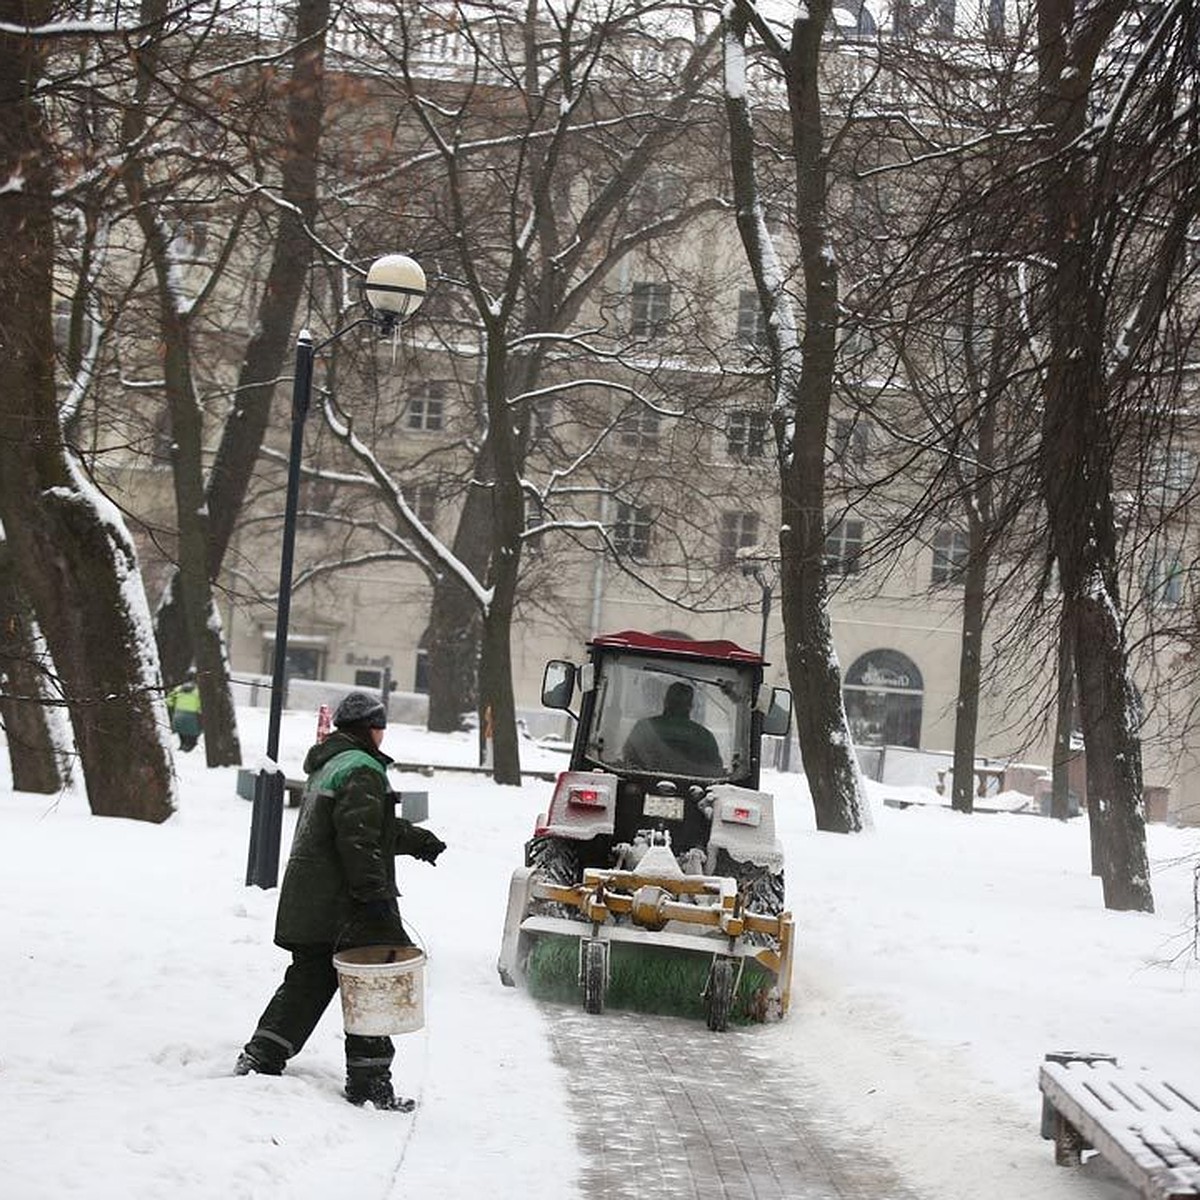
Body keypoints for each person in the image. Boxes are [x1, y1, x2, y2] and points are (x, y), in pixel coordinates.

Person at [234, 690, 447, 1112]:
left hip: (312, 898)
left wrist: (415, 840)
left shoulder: (331, 763)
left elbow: (361, 828)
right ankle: (370, 1086)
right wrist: (373, 898)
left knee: (309, 980)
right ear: (372, 728)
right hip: (347, 902)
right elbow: (359, 840)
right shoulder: (363, 769)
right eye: (381, 727)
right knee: (372, 984)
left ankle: (263, 1054)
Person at [622, 680, 723, 775]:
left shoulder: (644, 727)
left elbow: (629, 759)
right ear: (690, 706)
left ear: (665, 702)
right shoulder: (704, 735)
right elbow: (714, 771)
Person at [166, 669, 202, 752]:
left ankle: (183, 746)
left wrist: (175, 706)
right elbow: (201, 704)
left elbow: (168, 701)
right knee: (193, 736)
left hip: (178, 715)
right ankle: (189, 750)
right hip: (192, 716)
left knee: (182, 734)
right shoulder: (198, 691)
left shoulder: (178, 689)